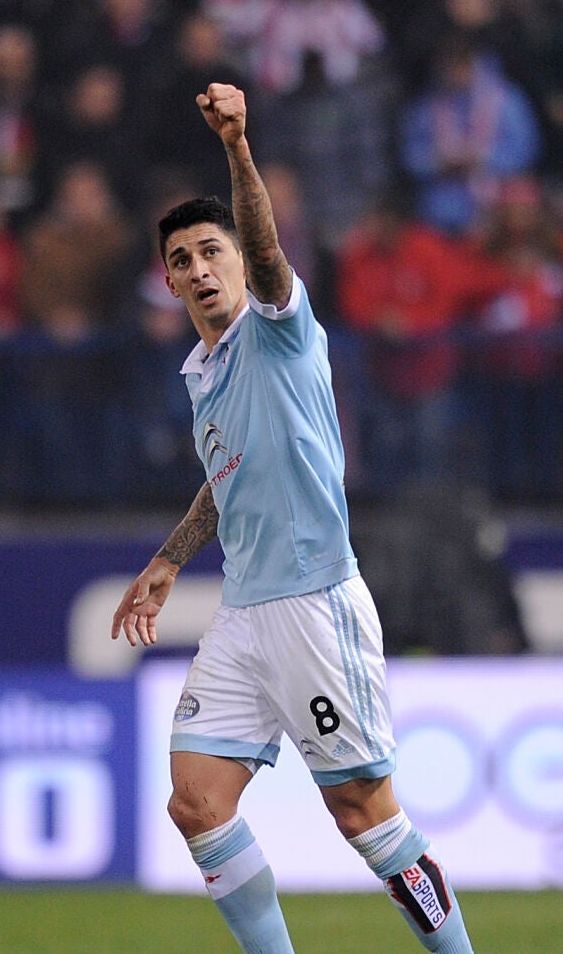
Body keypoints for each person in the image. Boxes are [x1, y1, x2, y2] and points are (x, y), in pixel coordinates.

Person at [110, 83, 476, 954]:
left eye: (211, 251)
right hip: (244, 613)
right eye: (181, 260)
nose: (198, 269)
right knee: (195, 801)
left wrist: (238, 147)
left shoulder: (279, 325)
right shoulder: (203, 371)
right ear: (166, 281)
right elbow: (223, 479)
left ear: (240, 262)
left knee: (365, 812)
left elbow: (270, 250)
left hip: (314, 602)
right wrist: (169, 560)